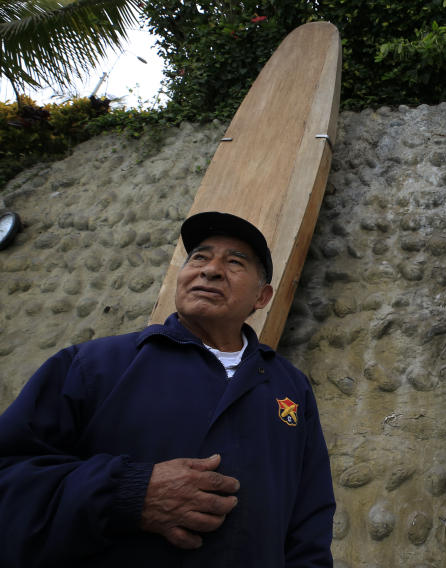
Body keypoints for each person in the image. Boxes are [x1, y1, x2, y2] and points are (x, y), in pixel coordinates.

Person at [0, 211, 335, 567]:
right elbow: (9, 480)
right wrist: (127, 492)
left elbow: (309, 516)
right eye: (199, 257)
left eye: (235, 262)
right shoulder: (94, 364)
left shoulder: (290, 387)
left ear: (262, 297)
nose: (210, 269)